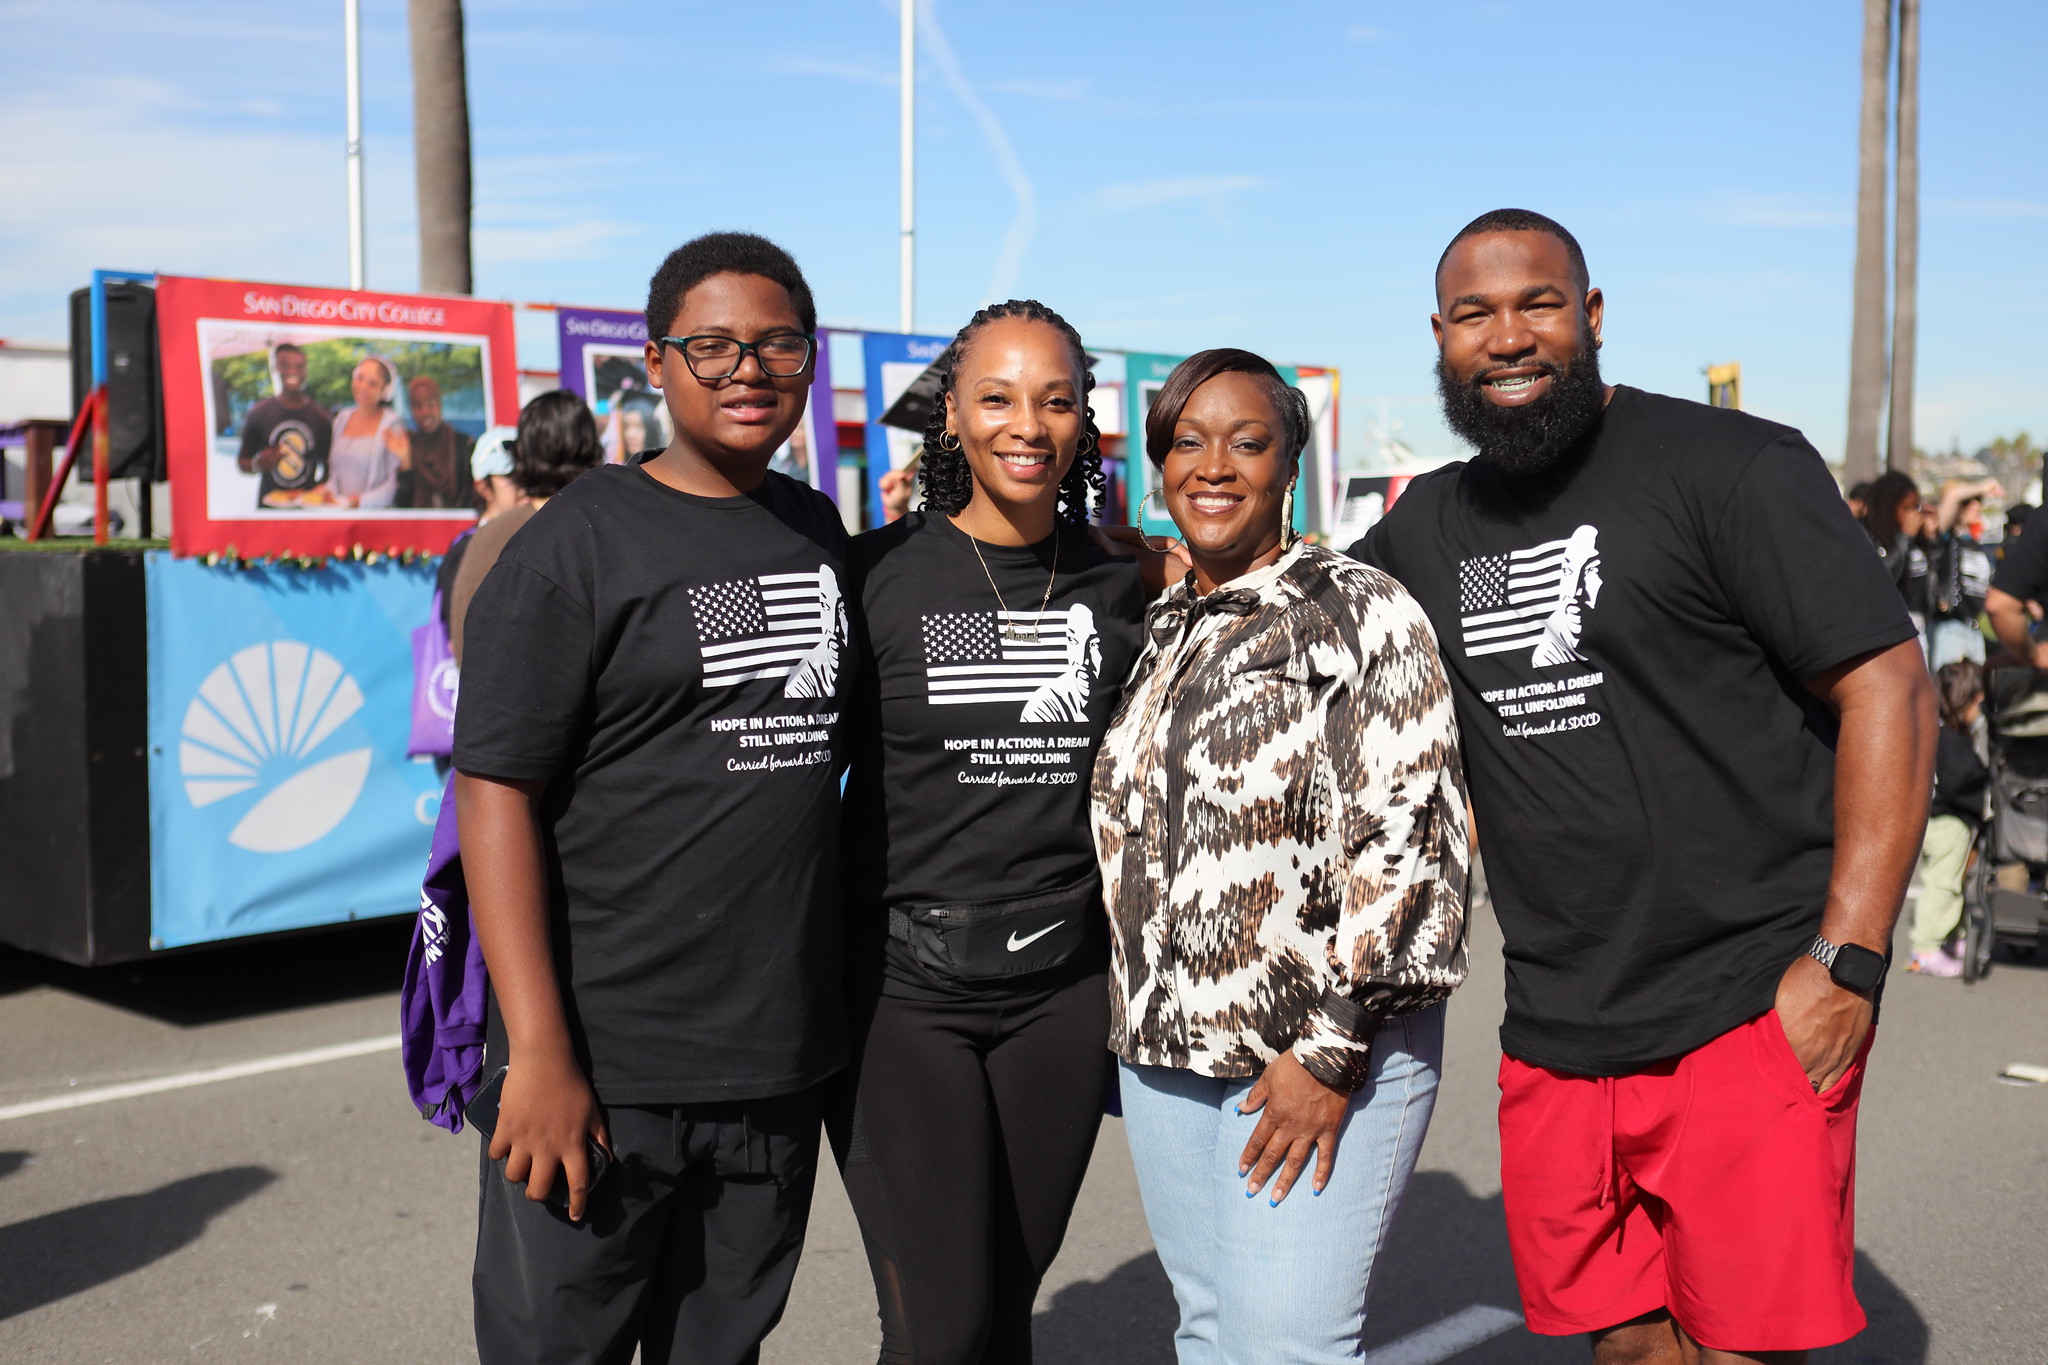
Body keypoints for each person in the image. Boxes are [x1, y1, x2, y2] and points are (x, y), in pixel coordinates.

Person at [1349, 209, 1935, 1364]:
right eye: (1473, 315)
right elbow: (1293, 639)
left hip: (1744, 1003)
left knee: (1735, 1347)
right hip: (1555, 1024)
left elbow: (1889, 690)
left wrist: (1847, 961)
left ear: (1591, 314)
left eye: (1537, 304)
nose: (1506, 337)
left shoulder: (1731, 466)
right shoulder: (1424, 528)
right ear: (1439, 336)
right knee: (1620, 1346)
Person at [453, 232, 850, 1365]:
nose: (747, 369)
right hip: (601, 1068)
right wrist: (539, 1052)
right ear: (657, 362)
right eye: (711, 345)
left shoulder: (817, 532)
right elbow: (494, 792)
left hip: (774, 1069)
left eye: (776, 343)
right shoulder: (574, 543)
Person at [1094, 348, 1469, 1365]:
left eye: (1246, 442)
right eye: (1188, 442)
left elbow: (1413, 841)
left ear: (1289, 466)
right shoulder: (1168, 624)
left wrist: (1332, 1050)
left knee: (1286, 1347)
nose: (1213, 466)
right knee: (1211, 1332)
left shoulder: (1359, 609)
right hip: (1169, 1058)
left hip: (1318, 1049)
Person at [827, 300, 1151, 1365]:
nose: (1027, 424)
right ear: (953, 417)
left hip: (1060, 995)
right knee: (941, 1328)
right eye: (997, 397)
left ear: (1082, 421)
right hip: (901, 997)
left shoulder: (1125, 580)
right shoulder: (870, 576)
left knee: (1006, 1311)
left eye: (1055, 400)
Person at [448, 395, 602, 665]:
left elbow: (465, 645)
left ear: (523, 455)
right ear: (591, 449)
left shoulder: (490, 536)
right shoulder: (605, 527)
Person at [1909, 660, 1988, 978]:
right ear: (1964, 701)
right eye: (1979, 702)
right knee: (1944, 885)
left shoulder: (1937, 734)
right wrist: (1985, 781)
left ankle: (1953, 938)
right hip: (1949, 825)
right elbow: (1961, 783)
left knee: (1952, 882)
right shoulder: (1953, 741)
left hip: (1933, 821)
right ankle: (1926, 950)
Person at [236, 343, 331, 507]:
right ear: (275, 368)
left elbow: (330, 468)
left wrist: (316, 492)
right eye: (285, 365)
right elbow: (243, 462)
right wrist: (258, 464)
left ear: (306, 371)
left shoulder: (321, 418)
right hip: (269, 508)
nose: (292, 371)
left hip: (306, 510)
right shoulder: (258, 413)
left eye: (299, 367)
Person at [1922, 479, 1999, 671]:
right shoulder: (1945, 540)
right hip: (1950, 628)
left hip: (1974, 629)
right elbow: (1952, 496)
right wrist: (1983, 487)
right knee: (1951, 688)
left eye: (1978, 501)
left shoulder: (1974, 543)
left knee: (1976, 688)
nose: (1976, 506)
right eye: (1968, 502)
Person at [327, 355, 411, 507]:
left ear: (385, 390)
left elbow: (394, 483)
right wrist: (327, 491)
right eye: (359, 378)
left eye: (372, 384)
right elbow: (335, 473)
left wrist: (360, 502)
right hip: (340, 513)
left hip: (374, 515)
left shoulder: (393, 425)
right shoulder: (342, 418)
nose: (363, 387)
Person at [401, 374, 477, 508]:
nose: (425, 412)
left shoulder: (463, 444)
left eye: (430, 404)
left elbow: (470, 497)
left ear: (439, 405)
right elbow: (402, 504)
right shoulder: (407, 446)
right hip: (417, 521)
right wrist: (405, 466)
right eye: (418, 406)